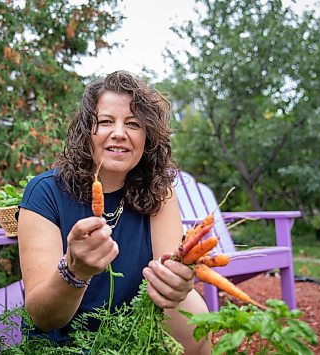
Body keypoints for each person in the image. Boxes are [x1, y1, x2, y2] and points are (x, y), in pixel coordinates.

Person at [17, 70, 210, 354]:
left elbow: (168, 288)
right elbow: (43, 317)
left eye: (133, 124)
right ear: (86, 132)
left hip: (134, 341)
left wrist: (176, 286)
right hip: (63, 347)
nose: (119, 133)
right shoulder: (45, 193)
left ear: (147, 138)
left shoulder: (159, 194)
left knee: (197, 317)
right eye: (106, 121)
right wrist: (75, 271)